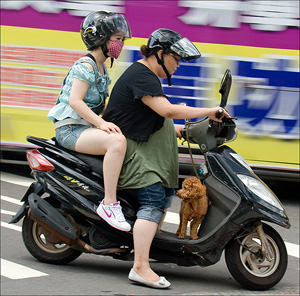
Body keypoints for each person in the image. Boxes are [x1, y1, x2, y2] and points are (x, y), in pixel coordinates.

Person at [102, 28, 230, 289]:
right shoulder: (142, 75)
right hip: (136, 155)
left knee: (163, 198)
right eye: (176, 59)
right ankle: (139, 267)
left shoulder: (147, 76)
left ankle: (145, 252)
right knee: (153, 200)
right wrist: (210, 111)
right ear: (160, 54)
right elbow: (167, 110)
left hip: (147, 151)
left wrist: (186, 130)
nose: (178, 65)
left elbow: (150, 118)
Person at [47, 11, 132, 232]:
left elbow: (101, 106)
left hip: (83, 128)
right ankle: (109, 204)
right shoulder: (86, 66)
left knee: (124, 138)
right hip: (70, 130)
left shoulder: (101, 67)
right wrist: (102, 123)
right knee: (117, 142)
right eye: (117, 39)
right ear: (100, 39)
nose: (120, 45)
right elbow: (76, 102)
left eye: (122, 40)